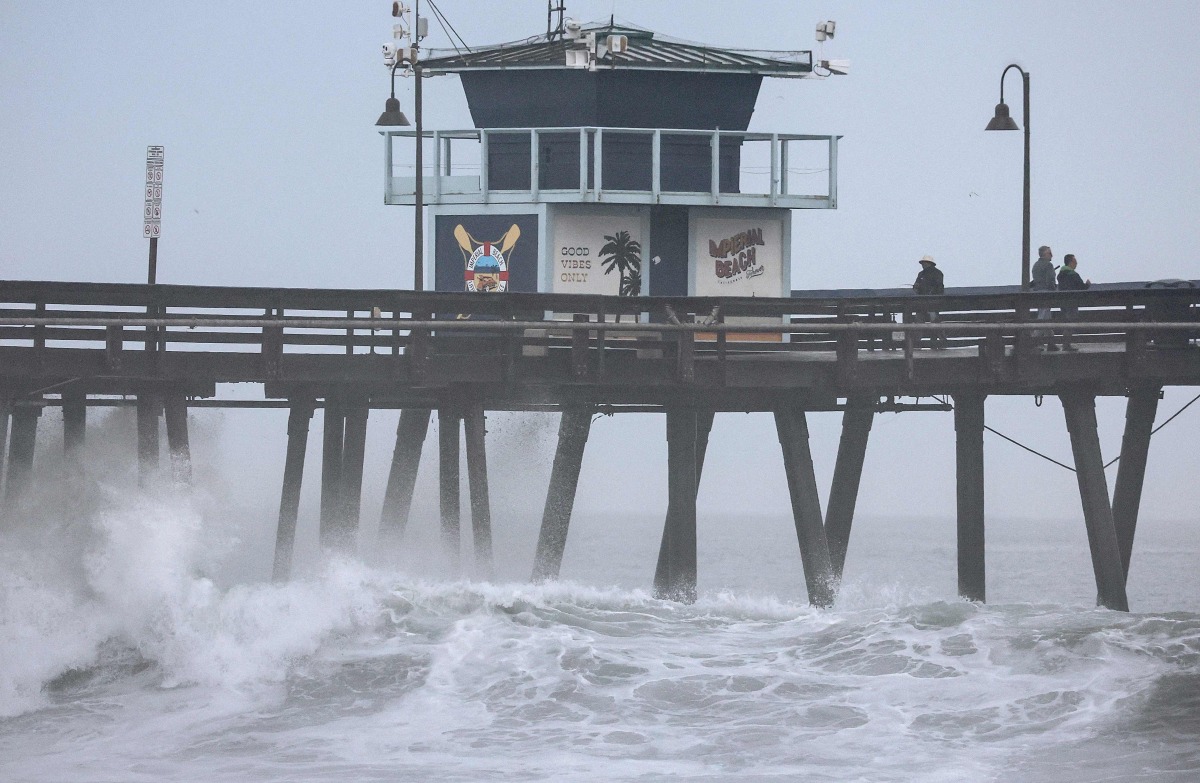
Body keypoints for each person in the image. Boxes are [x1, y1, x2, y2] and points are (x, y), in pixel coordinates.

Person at [1056, 253, 1091, 352]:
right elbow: (1081, 287)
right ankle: (1066, 345)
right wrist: (1087, 285)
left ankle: (1065, 344)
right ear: (1070, 262)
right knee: (1071, 323)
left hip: (1063, 302)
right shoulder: (1073, 274)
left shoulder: (1061, 274)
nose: (1076, 263)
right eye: (1075, 261)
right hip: (1072, 302)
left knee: (1066, 323)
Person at [912, 254, 946, 348]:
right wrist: (916, 288)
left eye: (924, 263)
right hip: (922, 304)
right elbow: (916, 287)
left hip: (932, 304)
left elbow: (939, 289)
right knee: (919, 322)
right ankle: (917, 344)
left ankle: (940, 343)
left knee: (934, 322)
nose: (923, 265)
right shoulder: (921, 274)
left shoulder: (937, 273)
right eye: (922, 263)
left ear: (929, 263)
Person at [1030, 245, 1058, 351]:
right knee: (1043, 317)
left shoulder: (1035, 265)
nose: (1052, 255)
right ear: (1045, 254)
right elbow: (1050, 281)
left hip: (1037, 293)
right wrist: (1054, 290)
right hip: (1046, 294)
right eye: (1050, 253)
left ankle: (1051, 343)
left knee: (1046, 317)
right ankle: (1033, 341)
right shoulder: (1049, 265)